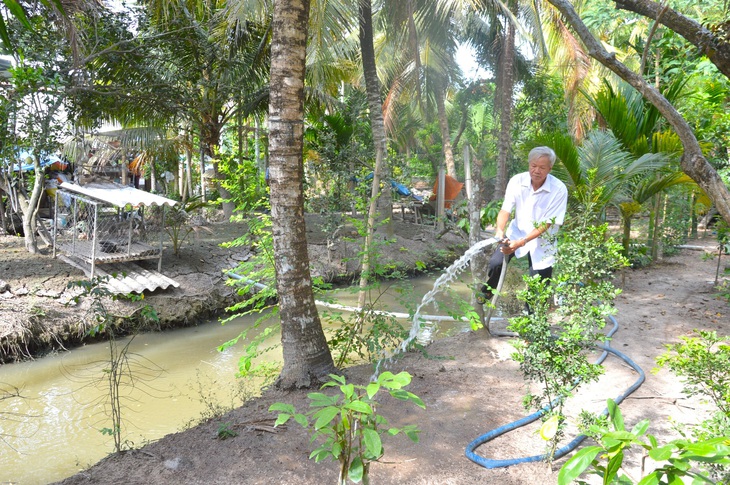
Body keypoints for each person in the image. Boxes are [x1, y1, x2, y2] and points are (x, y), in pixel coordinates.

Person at [478, 146, 568, 303]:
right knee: (495, 263)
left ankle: (533, 319)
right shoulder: (517, 181)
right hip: (516, 232)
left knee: (539, 283)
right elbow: (505, 210)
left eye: (542, 167)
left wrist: (523, 242)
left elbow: (547, 223)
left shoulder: (559, 189)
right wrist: (499, 231)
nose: (537, 171)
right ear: (529, 164)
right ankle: (488, 291)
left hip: (543, 240)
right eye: (533, 166)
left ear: (550, 169)